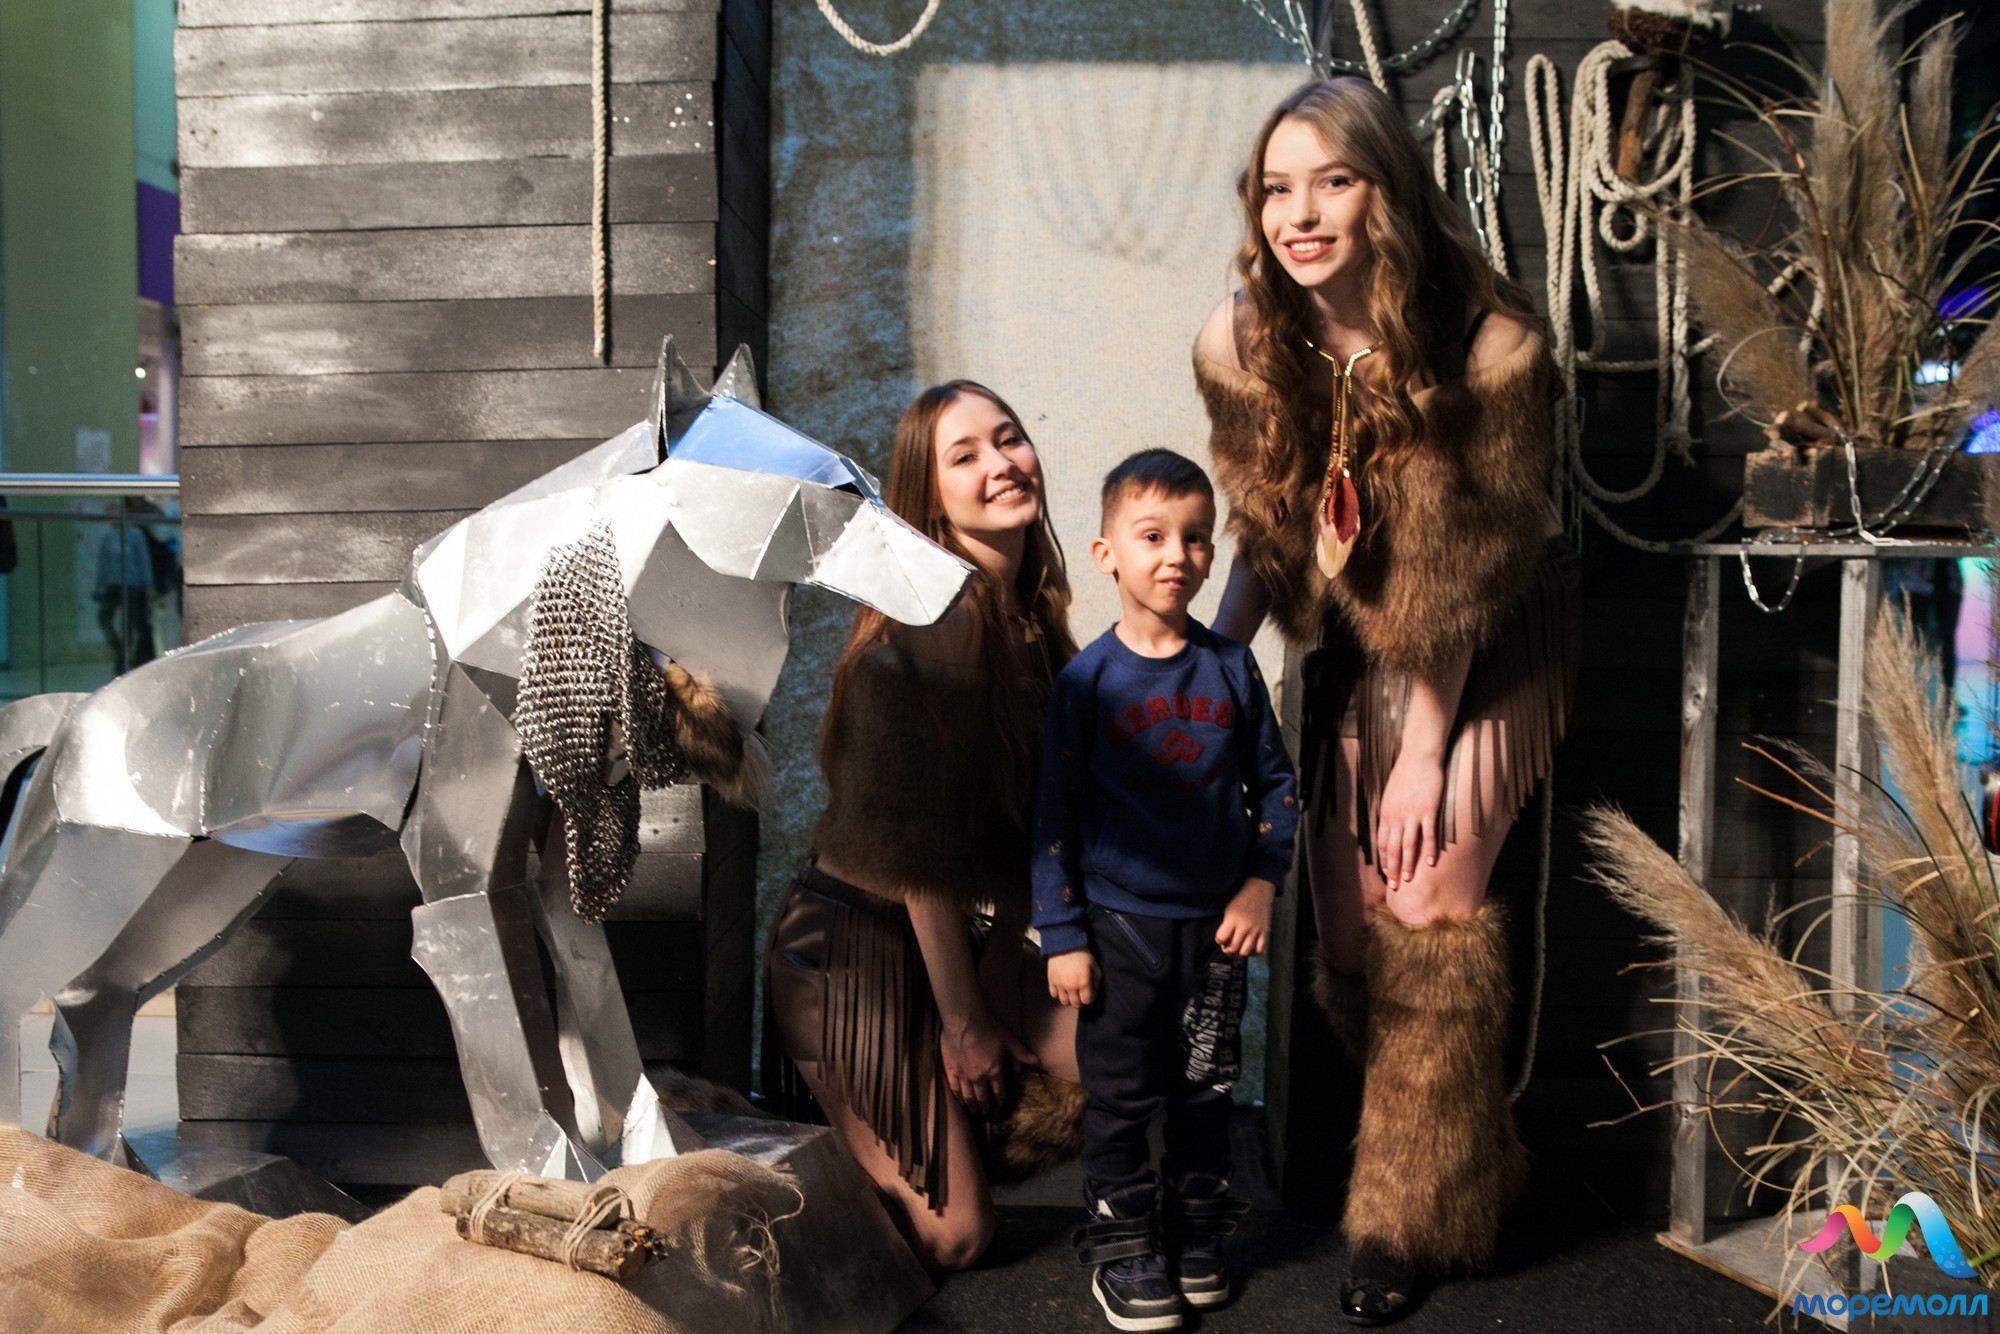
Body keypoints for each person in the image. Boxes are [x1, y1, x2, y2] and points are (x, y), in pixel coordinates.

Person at [1192, 78, 1581, 1325]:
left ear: (1387, 191)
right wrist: (1199, 673)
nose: (1299, 214)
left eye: (1333, 181)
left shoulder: (1487, 344)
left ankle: (1401, 1222)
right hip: (1367, 631)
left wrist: (1421, 758)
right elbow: (1266, 526)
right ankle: (1471, 1151)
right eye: (1276, 187)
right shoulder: (1246, 336)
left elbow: (1455, 586)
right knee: (1354, 940)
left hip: (1491, 630)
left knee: (1421, 897)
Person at [763, 381, 1086, 1271]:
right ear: (929, 499)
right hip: (848, 953)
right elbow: (916, 853)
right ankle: (749, 1158)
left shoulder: (1030, 623)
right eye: (965, 455)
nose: (1001, 464)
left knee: (1117, 1042)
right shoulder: (932, 618)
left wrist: (1000, 959)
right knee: (956, 1237)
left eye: (1010, 439)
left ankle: (917, 1139)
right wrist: (965, 1018)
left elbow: (1028, 831)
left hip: (944, 940)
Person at [1033, 448, 1297, 1331]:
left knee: (1205, 1092)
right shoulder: (1086, 683)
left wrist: (1260, 886)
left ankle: (1194, 1232)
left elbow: (1277, 789)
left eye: (1195, 536)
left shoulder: (1231, 668)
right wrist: (1063, 934)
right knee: (1119, 1099)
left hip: (1217, 934)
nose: (1176, 555)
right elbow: (1054, 818)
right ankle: (1124, 1244)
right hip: (1119, 932)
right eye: (1152, 536)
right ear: (1106, 554)